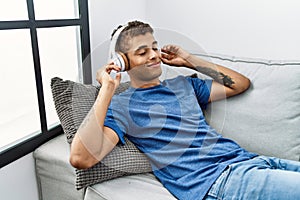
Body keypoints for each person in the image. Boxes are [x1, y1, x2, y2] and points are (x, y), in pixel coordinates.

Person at [70, 20, 300, 200]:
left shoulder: (184, 85)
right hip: (218, 181)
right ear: (123, 62)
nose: (153, 56)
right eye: (142, 52)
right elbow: (80, 157)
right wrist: (107, 89)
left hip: (251, 161)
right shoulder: (122, 106)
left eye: (154, 47)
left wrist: (190, 60)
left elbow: (240, 84)